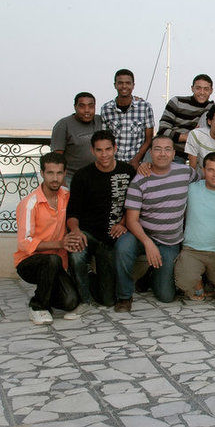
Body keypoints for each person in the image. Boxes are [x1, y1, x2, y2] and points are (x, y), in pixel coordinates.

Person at [114, 135, 197, 312]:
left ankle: (149, 274)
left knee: (166, 296)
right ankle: (124, 296)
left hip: (169, 241)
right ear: (150, 153)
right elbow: (131, 220)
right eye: (158, 149)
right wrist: (147, 242)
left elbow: (210, 177)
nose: (162, 154)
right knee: (123, 246)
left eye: (167, 149)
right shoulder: (139, 180)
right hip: (142, 235)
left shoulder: (185, 172)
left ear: (174, 154)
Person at [66, 130, 136, 314]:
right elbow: (72, 212)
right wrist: (75, 231)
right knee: (76, 252)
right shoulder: (82, 176)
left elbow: (134, 204)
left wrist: (123, 223)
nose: (104, 154)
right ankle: (84, 300)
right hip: (87, 234)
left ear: (115, 148)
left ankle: (88, 275)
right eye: (99, 150)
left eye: (108, 149)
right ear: (92, 151)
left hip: (110, 238)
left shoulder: (128, 171)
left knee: (108, 300)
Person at [14, 152, 80, 324]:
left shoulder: (67, 196)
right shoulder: (30, 203)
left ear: (65, 173)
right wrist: (60, 244)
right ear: (42, 173)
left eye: (59, 173)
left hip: (58, 262)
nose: (55, 178)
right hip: (29, 262)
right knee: (51, 259)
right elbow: (24, 242)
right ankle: (37, 306)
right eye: (50, 173)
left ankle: (46, 293)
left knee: (71, 301)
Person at [173, 152, 215, 304]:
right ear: (203, 170)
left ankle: (209, 281)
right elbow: (168, 174)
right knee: (183, 282)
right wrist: (147, 165)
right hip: (192, 251)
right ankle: (198, 281)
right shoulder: (192, 188)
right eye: (211, 170)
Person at [101, 69, 155, 168]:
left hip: (138, 164)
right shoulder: (106, 109)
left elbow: (149, 139)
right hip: (114, 163)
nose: (124, 86)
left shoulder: (145, 107)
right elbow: (105, 139)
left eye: (128, 83)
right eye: (120, 83)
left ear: (133, 85)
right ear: (115, 85)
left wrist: (136, 160)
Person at [158, 74, 214, 163]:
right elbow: (162, 131)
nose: (202, 92)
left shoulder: (212, 108)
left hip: (194, 156)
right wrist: (188, 137)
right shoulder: (177, 102)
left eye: (206, 89)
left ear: (211, 91)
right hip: (168, 152)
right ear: (192, 88)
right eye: (198, 88)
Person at [51, 92, 103, 185]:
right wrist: (61, 181)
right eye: (82, 106)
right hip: (72, 178)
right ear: (75, 107)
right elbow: (57, 157)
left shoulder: (100, 121)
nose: (87, 110)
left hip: (97, 176)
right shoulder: (63, 124)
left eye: (91, 106)